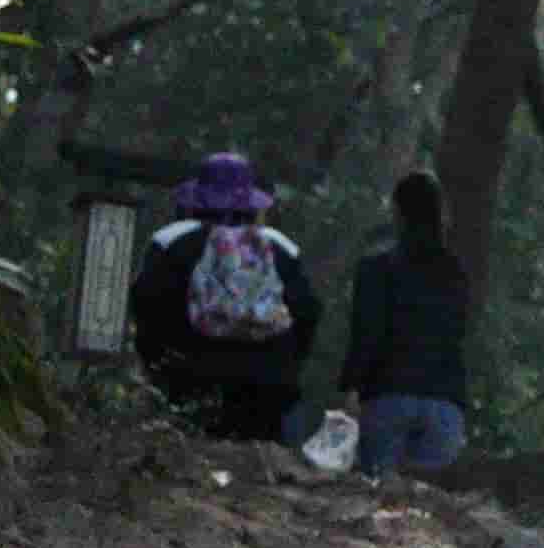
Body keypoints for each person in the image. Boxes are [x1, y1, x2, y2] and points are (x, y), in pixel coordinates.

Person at [124, 153, 311, 443]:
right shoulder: (279, 246)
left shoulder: (170, 240)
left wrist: (156, 364)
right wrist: (284, 364)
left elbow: (146, 305)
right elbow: (307, 312)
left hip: (187, 379)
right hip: (266, 386)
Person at [336, 170, 473, 476]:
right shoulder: (456, 274)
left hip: (388, 396)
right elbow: (457, 334)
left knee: (378, 502)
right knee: (430, 511)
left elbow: (366, 333)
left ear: (397, 213)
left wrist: (351, 388)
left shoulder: (376, 269)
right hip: (445, 403)